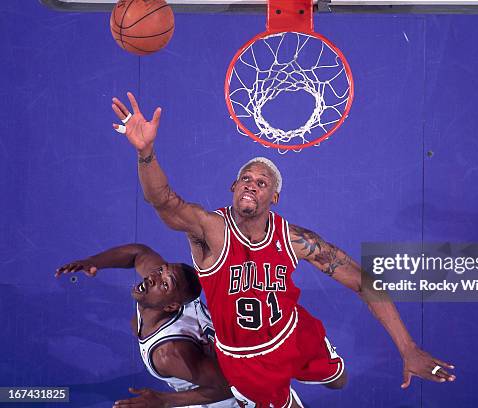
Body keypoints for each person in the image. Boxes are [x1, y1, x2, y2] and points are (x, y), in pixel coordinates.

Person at [111, 92, 456, 408]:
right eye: (246, 179)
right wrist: (146, 152)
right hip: (246, 360)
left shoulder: (294, 239)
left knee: (338, 380)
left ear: (273, 197)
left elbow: (363, 281)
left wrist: (407, 348)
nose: (252, 185)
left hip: (294, 332)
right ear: (233, 187)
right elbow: (163, 200)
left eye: (262, 183)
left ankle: (321, 367)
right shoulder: (209, 229)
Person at [55, 243, 238, 408]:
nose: (153, 278)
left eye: (165, 284)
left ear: (171, 307)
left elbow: (228, 386)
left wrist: (164, 400)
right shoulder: (158, 293)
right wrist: (93, 261)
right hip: (211, 366)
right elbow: (138, 253)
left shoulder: (169, 353)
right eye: (160, 271)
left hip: (224, 399)